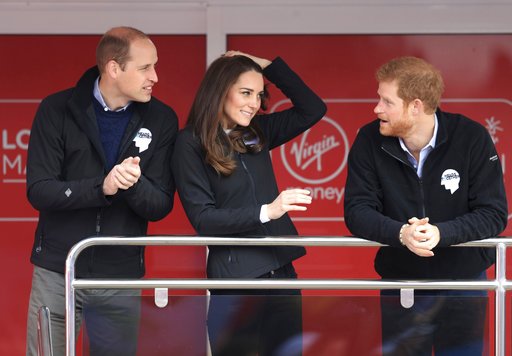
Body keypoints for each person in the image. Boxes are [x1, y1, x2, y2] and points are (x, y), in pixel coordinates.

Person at [25, 26, 178, 355]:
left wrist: (132, 184)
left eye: (155, 66)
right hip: (57, 271)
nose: (155, 76)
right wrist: (102, 187)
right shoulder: (56, 109)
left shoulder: (163, 118)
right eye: (145, 68)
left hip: (119, 277)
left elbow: (160, 205)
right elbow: (40, 190)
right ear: (113, 68)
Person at [344, 56, 508, 355]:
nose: (376, 108)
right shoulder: (369, 139)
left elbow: (493, 213)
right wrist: (400, 234)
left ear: (415, 106)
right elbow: (357, 210)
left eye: (386, 101)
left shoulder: (470, 137)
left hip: (464, 285)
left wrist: (441, 233)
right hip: (401, 283)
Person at [171, 51, 326, 355]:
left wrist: (265, 65)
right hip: (236, 280)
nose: (254, 103)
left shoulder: (257, 131)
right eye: (245, 93)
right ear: (220, 90)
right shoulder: (189, 143)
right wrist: (268, 211)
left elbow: (313, 108)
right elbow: (204, 219)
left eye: (259, 95)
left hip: (282, 272)